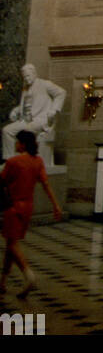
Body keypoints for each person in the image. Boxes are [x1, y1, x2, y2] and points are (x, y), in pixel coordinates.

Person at [0, 128, 62, 298]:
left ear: (22, 144)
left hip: (13, 206)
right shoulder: (38, 161)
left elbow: (1, 181)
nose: (15, 144)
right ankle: (3, 281)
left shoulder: (13, 162)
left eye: (17, 141)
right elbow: (46, 185)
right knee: (10, 245)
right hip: (28, 206)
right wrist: (56, 205)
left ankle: (28, 275)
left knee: (12, 244)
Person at [2, 63, 66, 159]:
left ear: (34, 74)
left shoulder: (45, 84)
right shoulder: (25, 89)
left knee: (26, 131)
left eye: (28, 75)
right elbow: (25, 106)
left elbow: (61, 92)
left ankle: (28, 161)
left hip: (40, 119)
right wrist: (16, 111)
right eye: (24, 77)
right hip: (26, 120)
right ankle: (9, 159)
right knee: (6, 131)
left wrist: (54, 109)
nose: (26, 79)